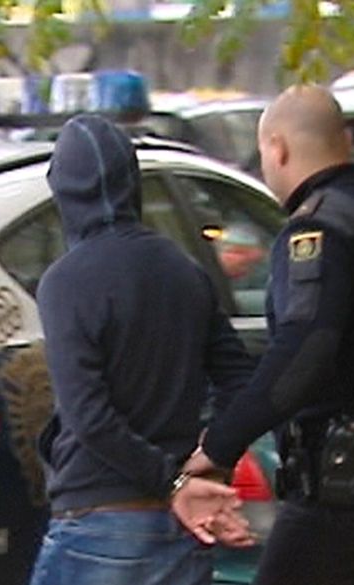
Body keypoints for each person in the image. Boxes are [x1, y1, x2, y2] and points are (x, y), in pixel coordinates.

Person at [179, 85, 354, 584]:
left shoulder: (319, 232)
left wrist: (220, 445)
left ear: (277, 148)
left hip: (348, 498)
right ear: (347, 142)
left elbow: (305, 350)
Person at [29, 114, 254, 585]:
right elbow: (240, 380)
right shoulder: (183, 268)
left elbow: (88, 415)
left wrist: (174, 483)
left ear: (62, 192)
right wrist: (209, 461)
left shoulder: (67, 282)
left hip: (100, 518)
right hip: (178, 525)